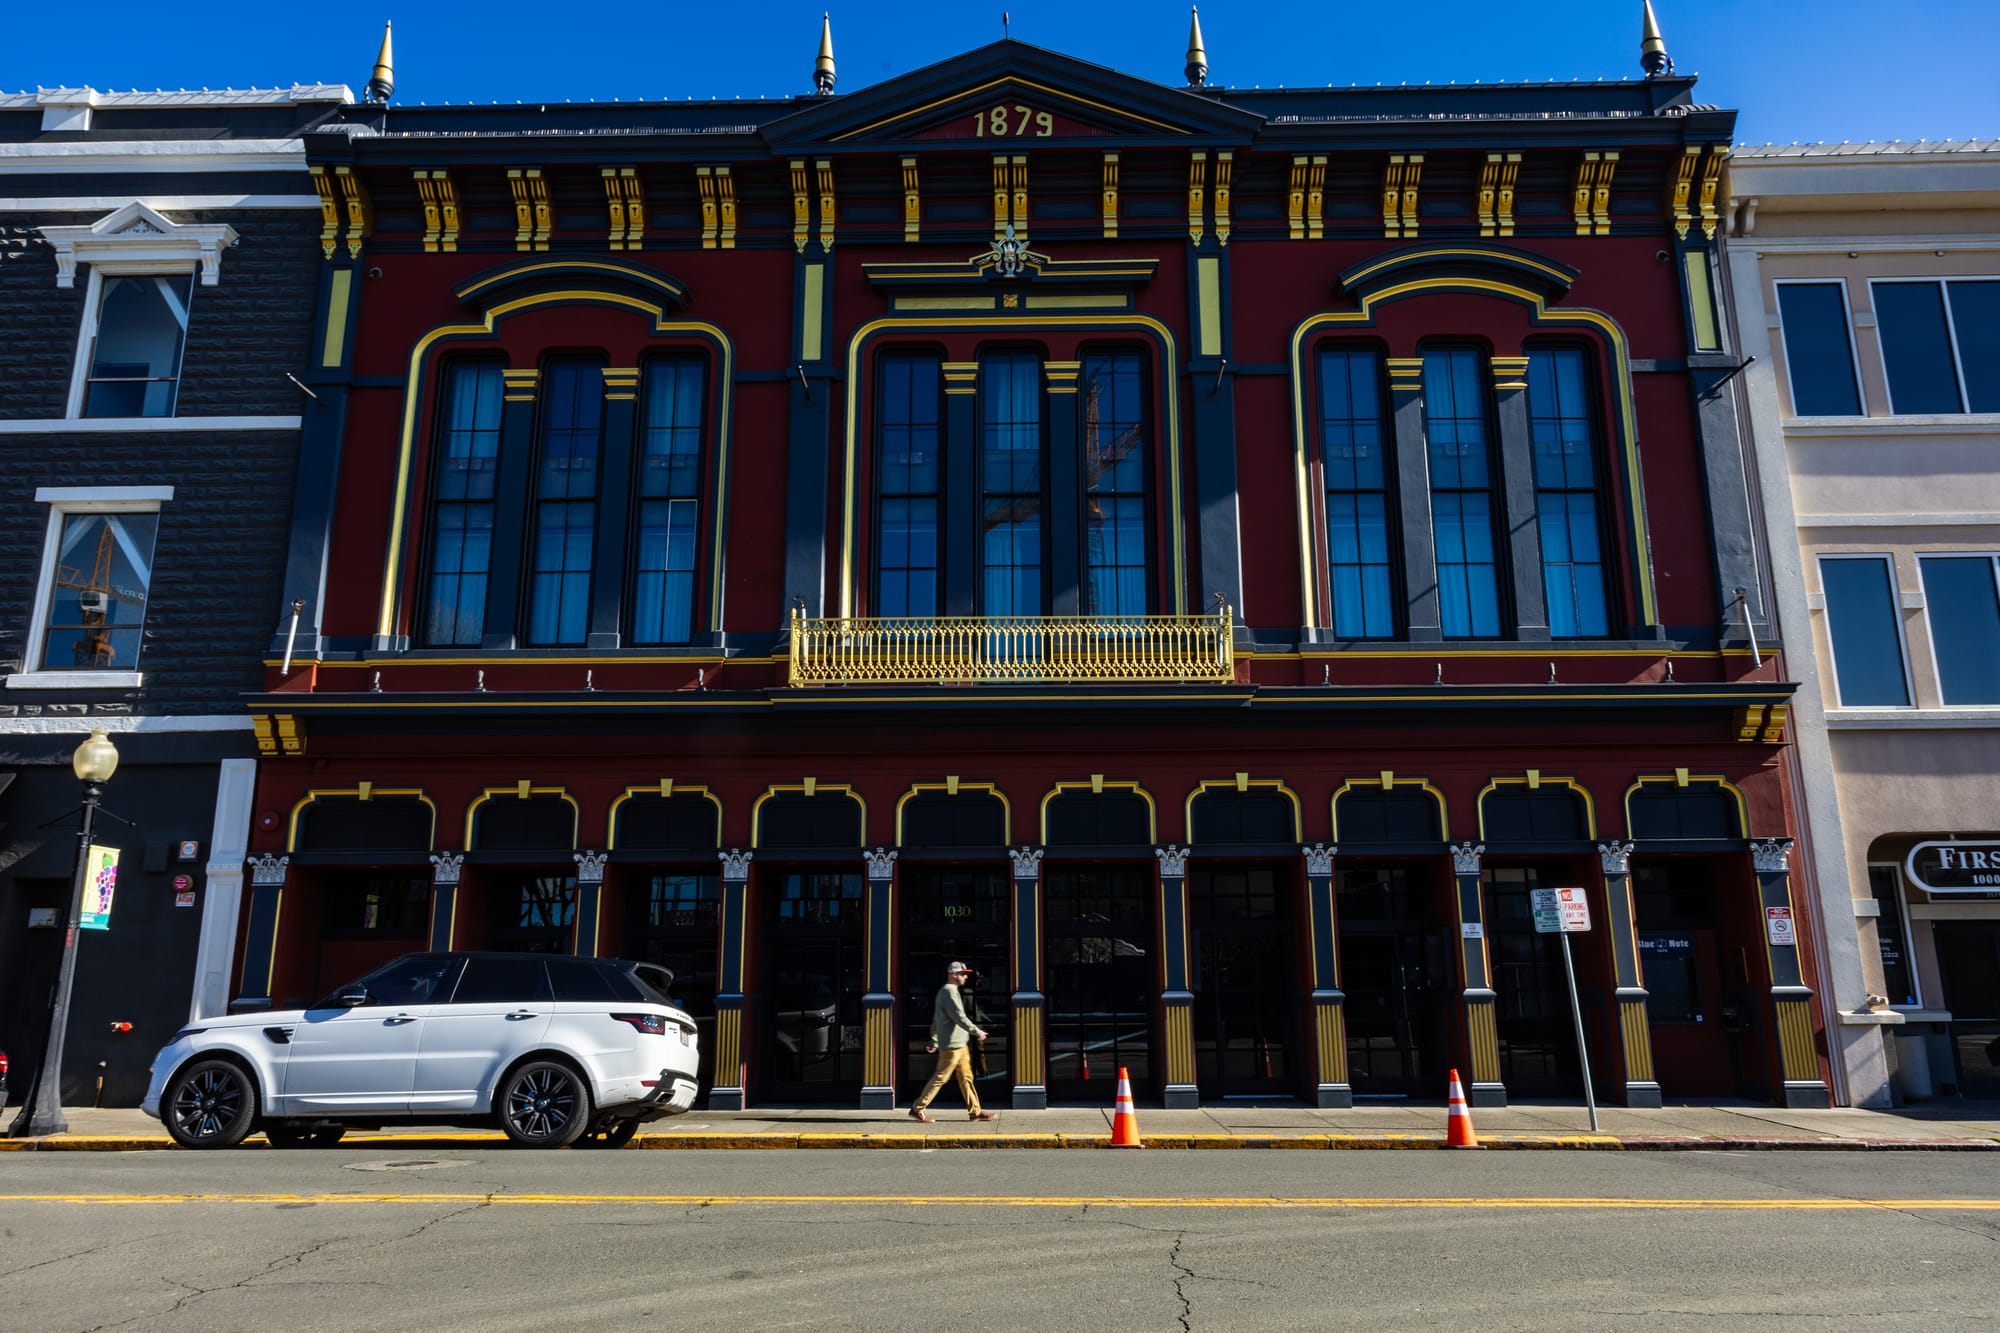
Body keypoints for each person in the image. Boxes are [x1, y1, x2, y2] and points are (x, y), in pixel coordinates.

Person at [909, 960, 999, 1122]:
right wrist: (977, 1031)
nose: (965, 977)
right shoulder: (948, 993)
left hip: (960, 1044)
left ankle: (975, 1111)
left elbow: (937, 1019)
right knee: (941, 1077)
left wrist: (934, 1040)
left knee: (967, 1078)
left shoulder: (950, 992)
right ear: (953, 975)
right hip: (951, 1046)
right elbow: (959, 1017)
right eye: (963, 974)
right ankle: (918, 1108)